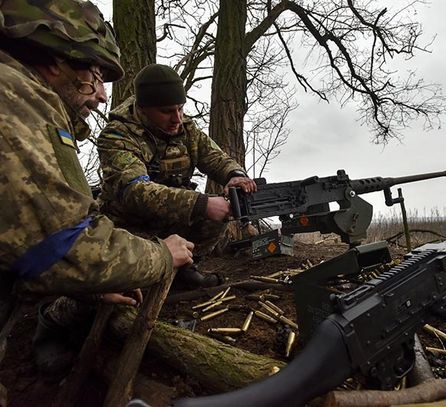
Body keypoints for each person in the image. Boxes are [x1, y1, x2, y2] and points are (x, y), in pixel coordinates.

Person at [0, 1, 194, 374]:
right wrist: (161, 255)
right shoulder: (16, 99)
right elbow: (62, 251)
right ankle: (51, 327)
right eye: (94, 74)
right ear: (55, 60)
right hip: (122, 230)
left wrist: (233, 174)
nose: (103, 95)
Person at [97, 64, 257, 267]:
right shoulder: (116, 136)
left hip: (172, 219)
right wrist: (201, 204)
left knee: (215, 218)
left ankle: (186, 267)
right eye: (166, 112)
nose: (177, 119)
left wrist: (234, 174)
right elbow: (134, 192)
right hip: (129, 226)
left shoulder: (186, 129)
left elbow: (215, 157)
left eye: (180, 108)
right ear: (143, 108)